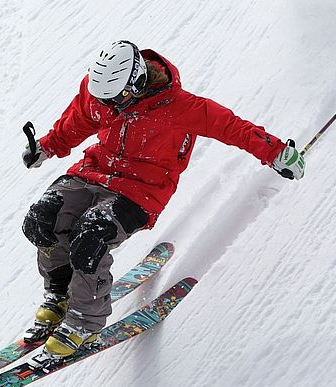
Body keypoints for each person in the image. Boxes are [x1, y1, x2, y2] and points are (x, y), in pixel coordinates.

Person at [20, 40, 305, 359]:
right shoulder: (101, 90)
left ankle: (85, 320)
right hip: (93, 171)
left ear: (137, 81)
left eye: (116, 99)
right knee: (41, 219)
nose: (110, 105)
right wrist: (47, 146)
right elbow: (81, 118)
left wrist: (277, 152)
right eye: (104, 99)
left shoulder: (182, 108)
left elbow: (233, 128)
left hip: (140, 191)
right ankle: (60, 293)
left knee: (90, 237)